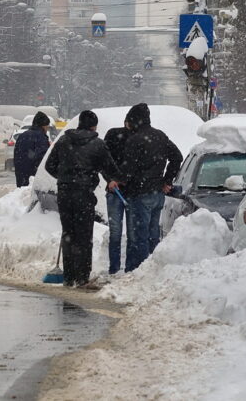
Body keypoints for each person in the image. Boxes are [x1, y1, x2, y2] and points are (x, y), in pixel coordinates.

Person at [44, 110, 121, 290]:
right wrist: (109, 179)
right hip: (84, 194)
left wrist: (64, 177)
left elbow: (49, 165)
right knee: (84, 236)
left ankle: (68, 277)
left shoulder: (63, 140)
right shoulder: (97, 144)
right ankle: (82, 277)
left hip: (64, 193)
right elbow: (109, 168)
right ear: (93, 126)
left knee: (68, 233)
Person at [112, 102, 182, 271]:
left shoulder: (134, 140)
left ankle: (138, 270)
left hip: (139, 194)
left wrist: (118, 179)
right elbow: (177, 157)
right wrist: (166, 181)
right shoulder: (160, 136)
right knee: (153, 235)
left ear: (134, 121)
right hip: (157, 193)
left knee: (138, 236)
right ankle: (153, 269)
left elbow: (128, 169)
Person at [103, 114, 134, 275]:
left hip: (130, 192)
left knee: (130, 233)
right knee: (118, 232)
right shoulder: (114, 136)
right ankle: (115, 268)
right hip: (116, 192)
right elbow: (103, 162)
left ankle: (128, 269)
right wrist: (110, 180)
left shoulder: (138, 138)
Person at [13, 111, 52, 188]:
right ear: (43, 126)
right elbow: (42, 158)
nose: (47, 128)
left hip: (20, 173)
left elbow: (16, 155)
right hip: (33, 176)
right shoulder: (41, 137)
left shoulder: (22, 136)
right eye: (47, 126)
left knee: (21, 195)